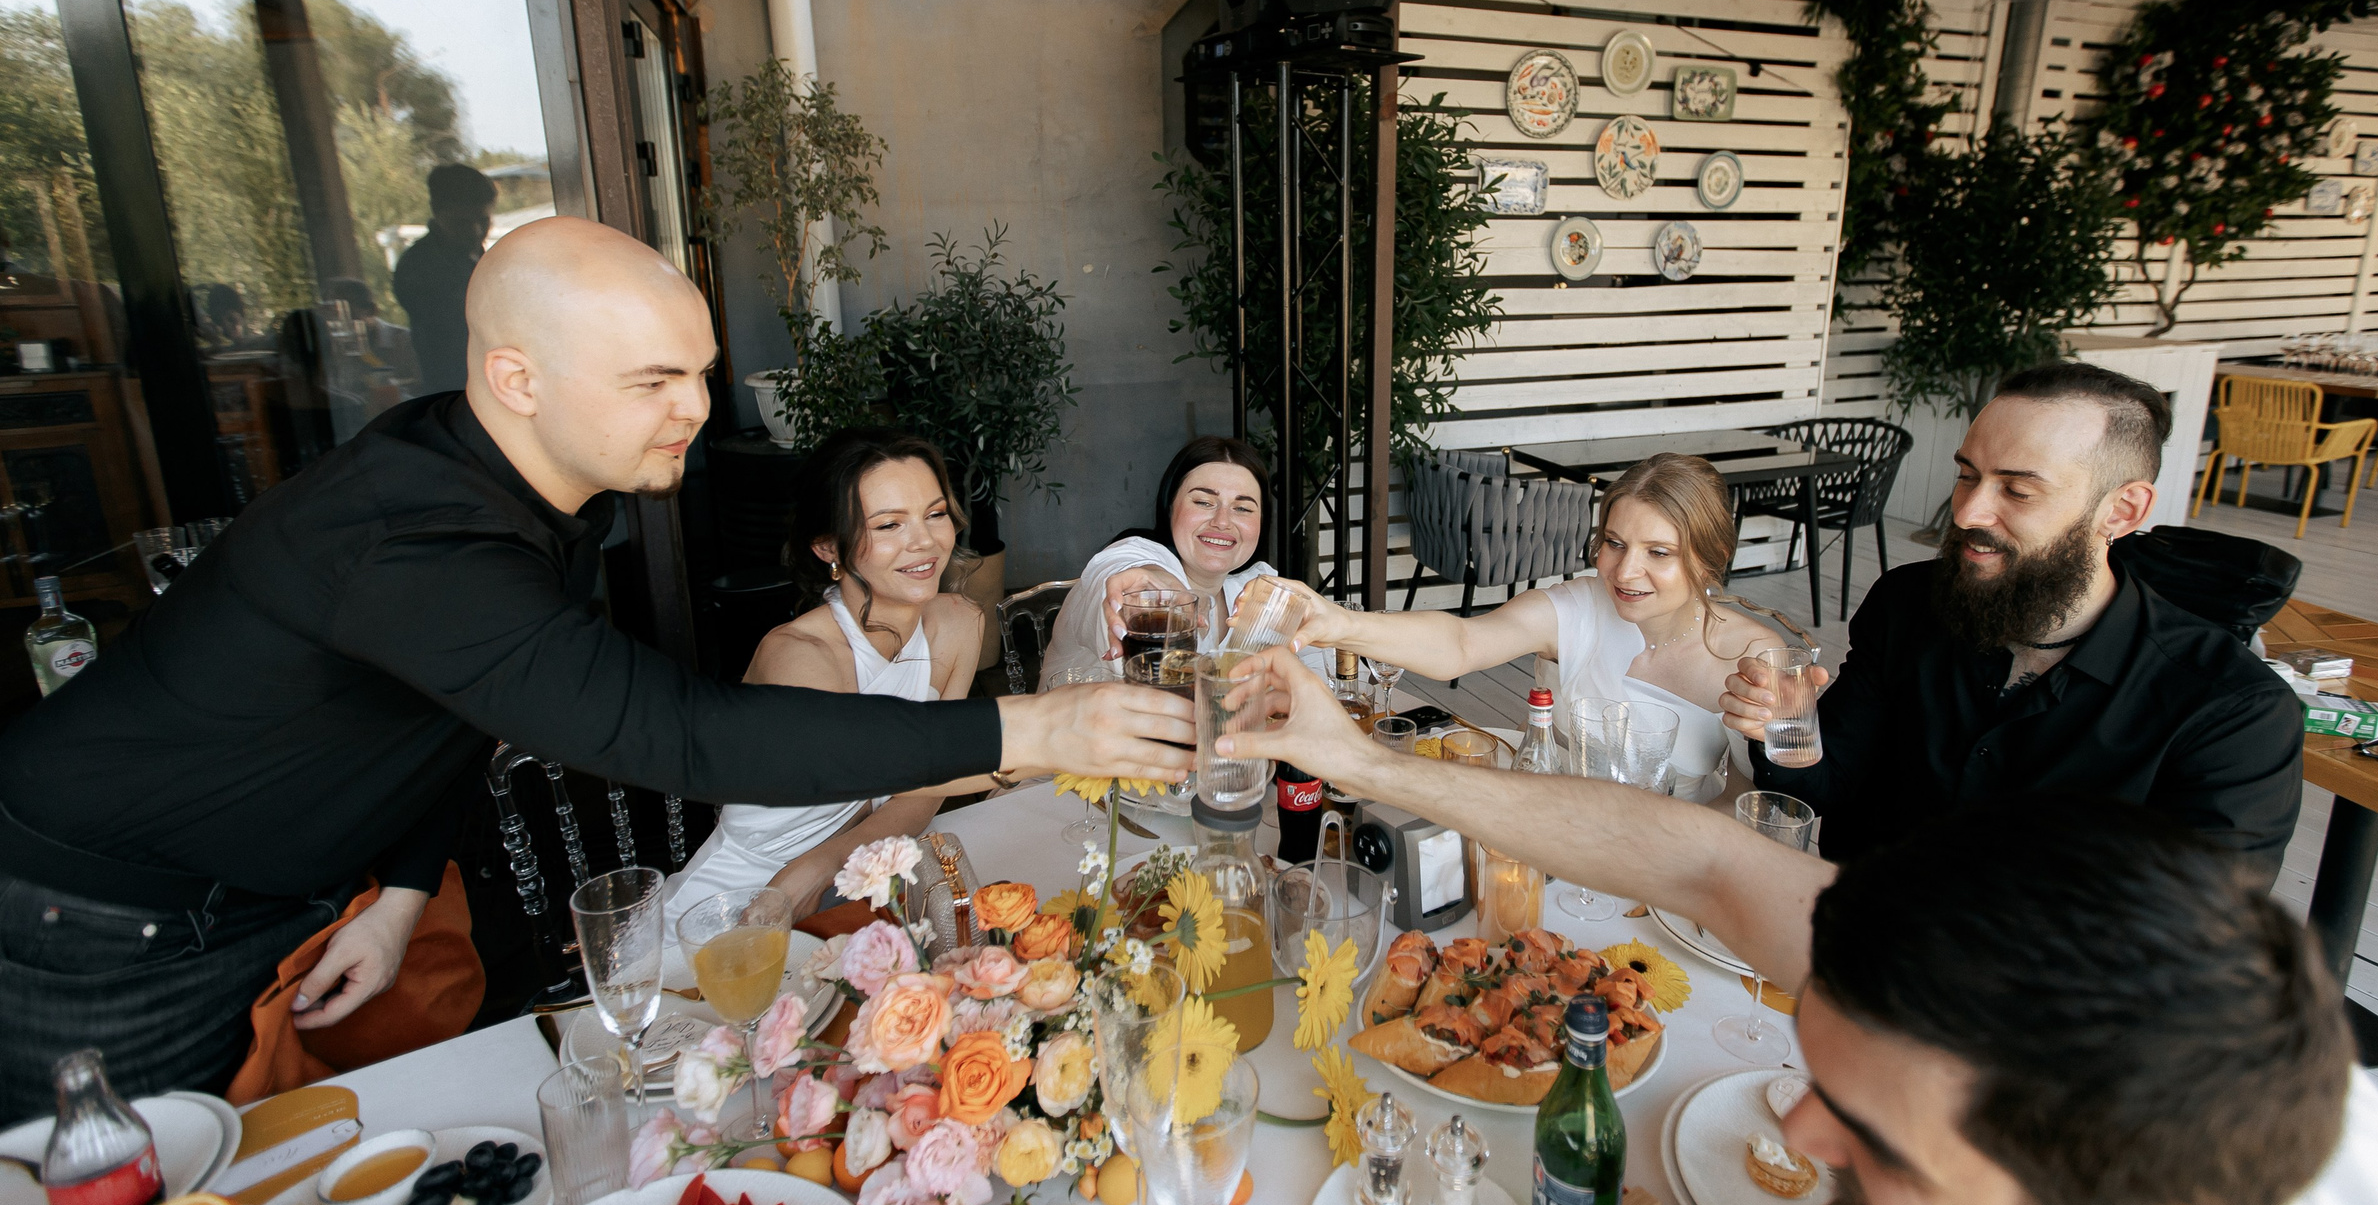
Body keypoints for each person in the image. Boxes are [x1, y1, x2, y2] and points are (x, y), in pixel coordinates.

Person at [0, 218, 1187, 1118]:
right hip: (99, 926)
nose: (696, 407)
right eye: (654, 382)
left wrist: (404, 889)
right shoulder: (416, 532)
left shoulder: (517, 491)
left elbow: (454, 709)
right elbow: (687, 734)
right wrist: (1027, 729)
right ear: (519, 379)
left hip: (267, 906)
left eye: (700, 371)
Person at [1217, 651, 2378, 1205]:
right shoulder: (2080, 1038)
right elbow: (1701, 858)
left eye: (1873, 1133)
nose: (1798, 1134)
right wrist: (1362, 761)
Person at [1723, 360, 2302, 873]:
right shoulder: (1908, 603)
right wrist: (1788, 735)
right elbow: (1831, 787)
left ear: (2122, 510)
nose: (1969, 511)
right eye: (1967, 474)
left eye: (2018, 491)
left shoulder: (2233, 713)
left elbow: (2188, 946)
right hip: (1849, 935)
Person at [1286, 453, 1779, 799]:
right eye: (1614, 542)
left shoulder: (1752, 655)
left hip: (1673, 878)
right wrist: (1338, 623)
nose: (1625, 572)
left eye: (1659, 553)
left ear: (1711, 557)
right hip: (1550, 832)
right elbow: (1462, 642)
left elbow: (1745, 806)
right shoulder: (1584, 606)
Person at [665, 430, 984, 926]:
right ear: (828, 546)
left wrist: (822, 865)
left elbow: (926, 789)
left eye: (935, 513)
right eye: (888, 525)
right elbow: (912, 776)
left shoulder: (961, 624)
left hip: (859, 876)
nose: (925, 542)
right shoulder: (800, 656)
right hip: (744, 897)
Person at [1040, 436, 1278, 683]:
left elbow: (1312, 668)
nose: (1222, 521)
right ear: (1170, 506)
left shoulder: (1257, 590)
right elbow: (1118, 573)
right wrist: (1156, 589)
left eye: (1242, 509)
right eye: (1204, 502)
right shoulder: (1133, 553)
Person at [394, 163, 497, 394]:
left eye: (483, 221)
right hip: (453, 389)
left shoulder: (475, 255)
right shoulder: (418, 267)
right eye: (461, 223)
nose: (476, 232)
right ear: (436, 212)